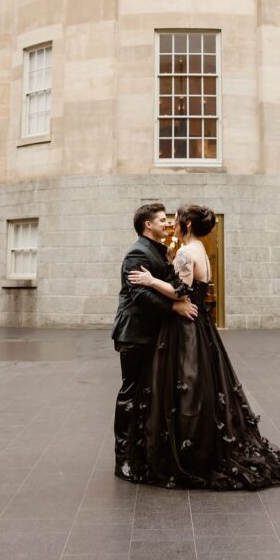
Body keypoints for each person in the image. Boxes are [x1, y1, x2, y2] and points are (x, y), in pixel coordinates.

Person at [124, 204, 280, 490]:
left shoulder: (187, 253)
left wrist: (151, 280)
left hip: (185, 326)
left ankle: (188, 452)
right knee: (199, 385)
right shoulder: (200, 248)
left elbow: (180, 291)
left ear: (186, 225)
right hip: (200, 324)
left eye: (176, 220)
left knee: (184, 386)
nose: (172, 224)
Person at [111, 202, 198, 480]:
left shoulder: (159, 250)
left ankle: (140, 453)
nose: (167, 223)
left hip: (152, 333)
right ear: (148, 225)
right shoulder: (137, 252)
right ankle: (122, 460)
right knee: (130, 394)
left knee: (147, 395)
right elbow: (139, 296)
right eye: (162, 220)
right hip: (135, 334)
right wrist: (173, 307)